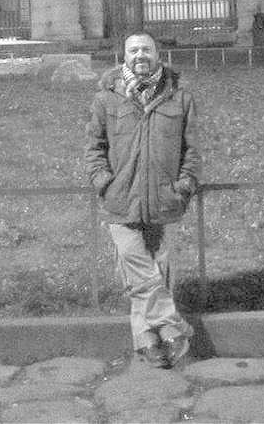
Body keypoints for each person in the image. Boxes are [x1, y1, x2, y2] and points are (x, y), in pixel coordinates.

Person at [85, 31, 200, 367]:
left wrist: (186, 182)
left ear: (157, 53)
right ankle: (173, 327)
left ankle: (148, 339)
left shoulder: (179, 97)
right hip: (120, 201)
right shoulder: (106, 99)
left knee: (154, 273)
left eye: (146, 49)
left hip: (165, 199)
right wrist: (102, 181)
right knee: (139, 267)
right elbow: (94, 148)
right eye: (133, 50)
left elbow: (192, 148)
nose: (140, 56)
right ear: (124, 56)